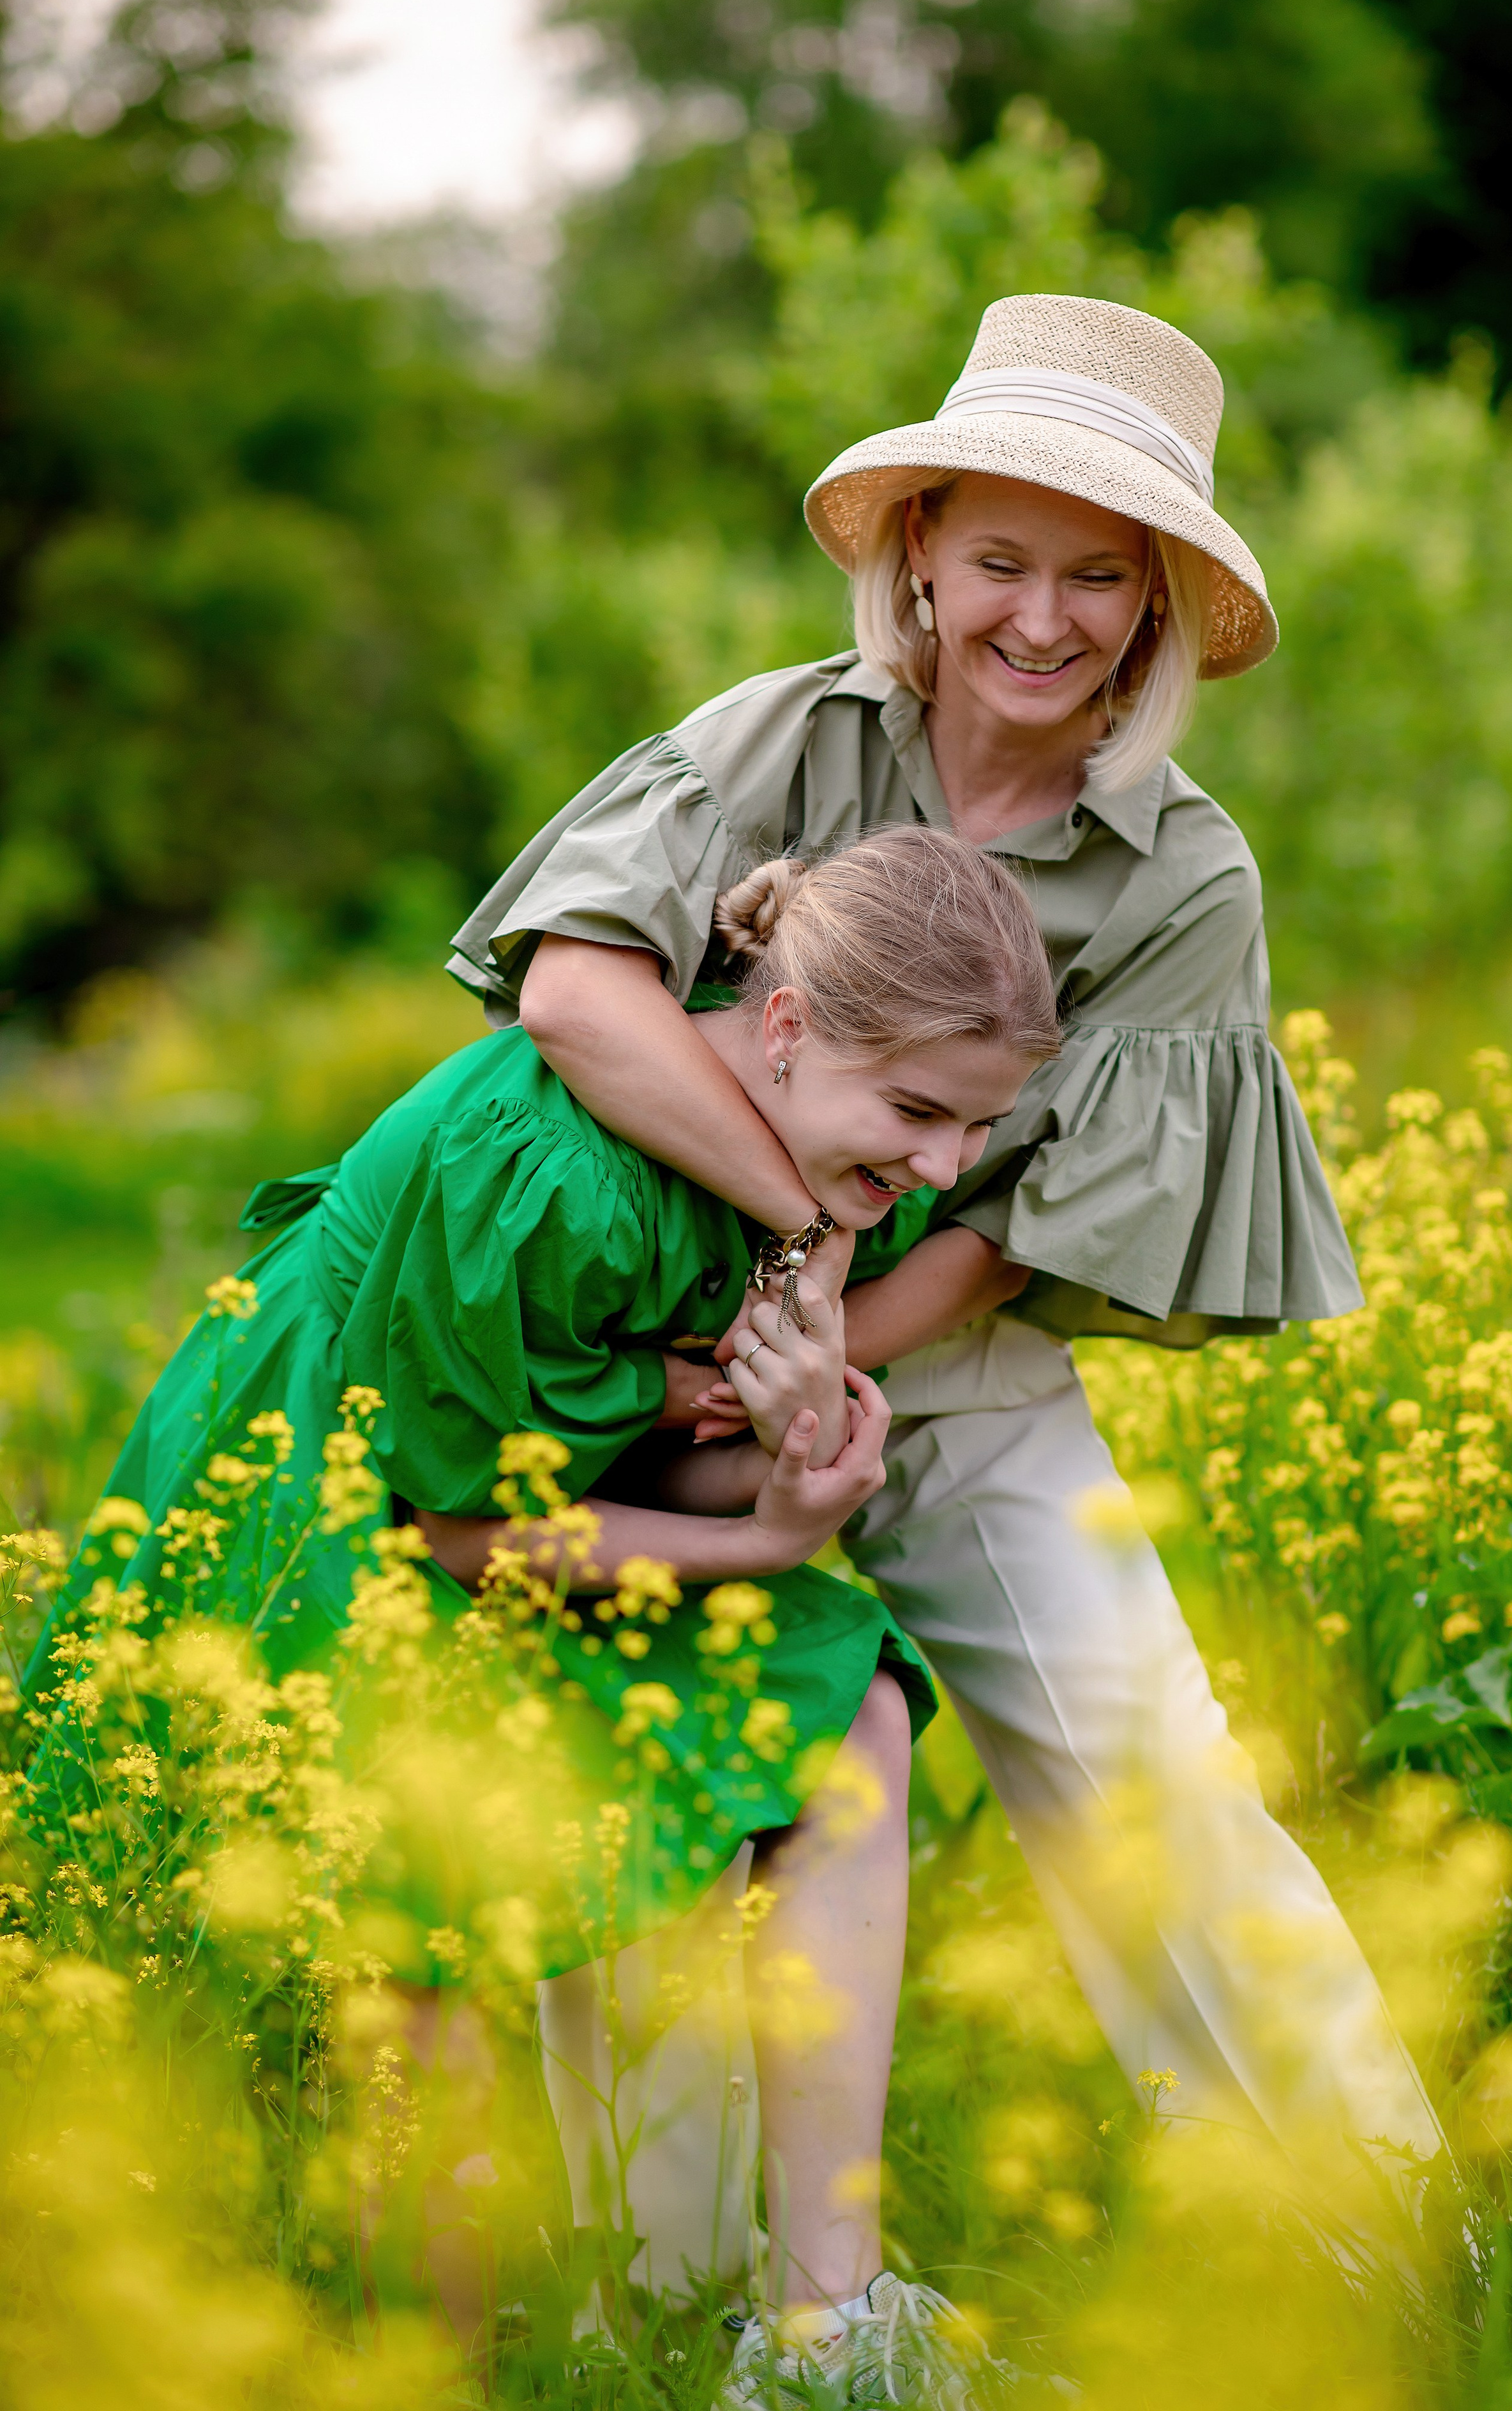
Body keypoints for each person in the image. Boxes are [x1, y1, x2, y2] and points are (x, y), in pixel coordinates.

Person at [447, 294, 1445, 2245]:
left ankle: (1377, 2243)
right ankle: (689, 2296)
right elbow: (577, 992)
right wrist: (770, 1307)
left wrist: (821, 1367)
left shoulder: (1182, 871)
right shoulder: (774, 741)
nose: (1044, 619)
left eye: (1100, 577)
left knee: (1150, 1781)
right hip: (657, 1386)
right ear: (920, 555)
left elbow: (1011, 1240)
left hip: (952, 1386)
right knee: (662, 1809)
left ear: (1155, 609)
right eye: (1001, 559)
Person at [23, 827, 1062, 2392]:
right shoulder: (545, 1169)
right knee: (416, 1937)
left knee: (850, 1704)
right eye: (916, 1112)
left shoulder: (838, 1168)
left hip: (521, 1503)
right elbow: (464, 1529)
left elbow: (627, 1448)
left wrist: (778, 1464)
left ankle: (821, 2334)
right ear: (781, 1028)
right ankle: (428, 2370)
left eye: (967, 1126)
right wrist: (775, 1535)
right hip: (329, 1509)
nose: (935, 1164)